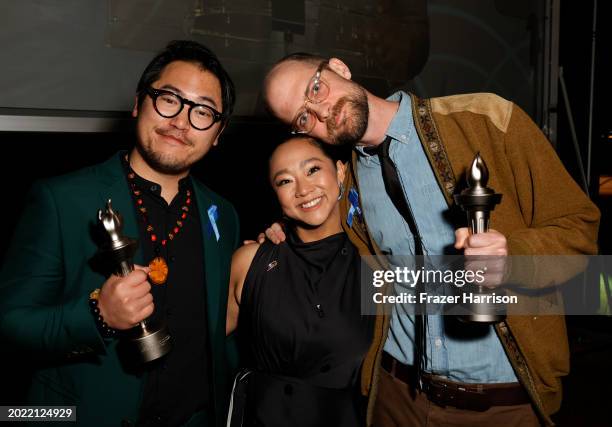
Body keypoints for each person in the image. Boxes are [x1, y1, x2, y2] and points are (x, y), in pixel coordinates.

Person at [260, 53, 600, 426]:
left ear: (338, 68)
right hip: (397, 397)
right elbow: (318, 229)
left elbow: (579, 230)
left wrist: (514, 259)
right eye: (303, 117)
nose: (321, 111)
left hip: (503, 405)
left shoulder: (483, 119)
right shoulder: (349, 185)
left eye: (315, 88)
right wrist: (280, 234)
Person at [0, 40, 240, 427]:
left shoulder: (223, 215)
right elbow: (9, 324)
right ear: (138, 103)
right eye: (169, 99)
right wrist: (97, 314)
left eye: (203, 112)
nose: (181, 121)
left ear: (218, 133)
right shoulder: (61, 200)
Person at [226, 136, 373, 426]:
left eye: (313, 170)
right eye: (285, 181)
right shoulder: (250, 261)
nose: (304, 190)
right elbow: (195, 344)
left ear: (340, 172)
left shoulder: (375, 261)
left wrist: (485, 249)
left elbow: (473, 292)